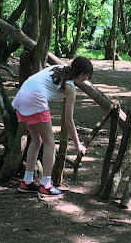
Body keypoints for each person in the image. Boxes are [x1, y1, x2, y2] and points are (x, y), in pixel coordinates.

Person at [11, 56, 94, 196]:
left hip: (21, 96)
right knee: (50, 142)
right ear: (81, 75)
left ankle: (27, 181)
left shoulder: (58, 69)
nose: (86, 81)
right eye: (86, 77)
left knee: (36, 140)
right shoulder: (71, 87)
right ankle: (46, 185)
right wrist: (78, 144)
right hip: (35, 99)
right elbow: (68, 120)